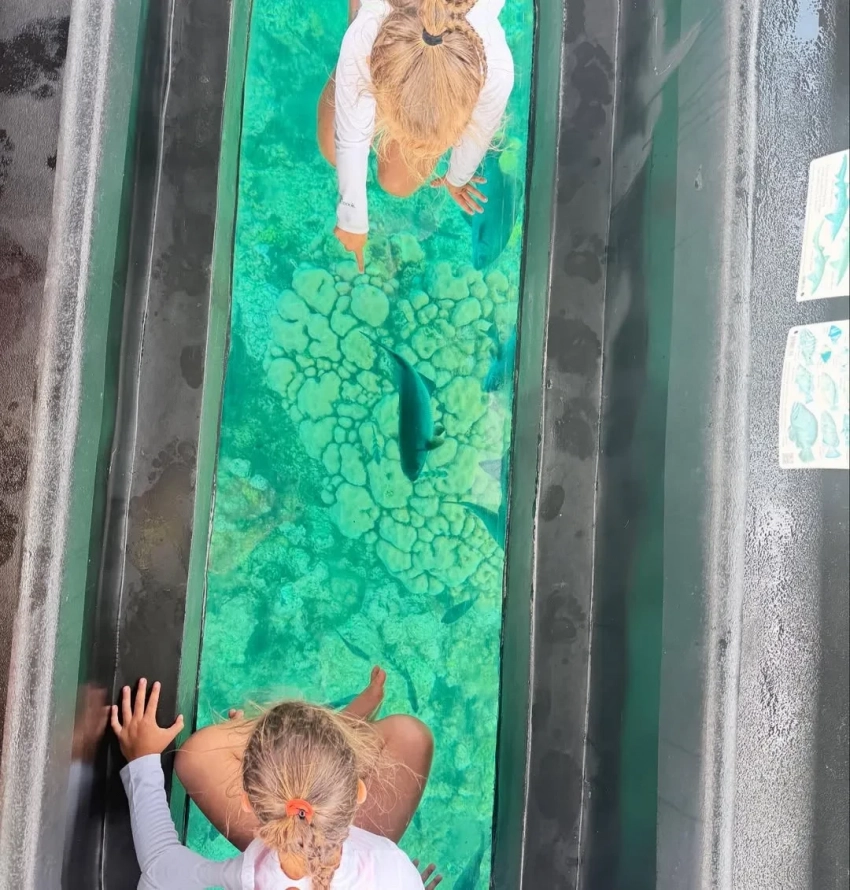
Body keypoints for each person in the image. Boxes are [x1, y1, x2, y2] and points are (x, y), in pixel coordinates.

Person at [113, 675, 442, 889]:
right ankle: (334, 733)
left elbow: (159, 866)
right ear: (358, 791)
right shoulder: (394, 870)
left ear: (247, 799)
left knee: (198, 754)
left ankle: (319, 738)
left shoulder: (253, 873)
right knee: (410, 736)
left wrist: (142, 759)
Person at [321, 0, 515, 270]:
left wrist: (458, 177)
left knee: (397, 183)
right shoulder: (365, 35)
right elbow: (350, 138)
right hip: (374, 31)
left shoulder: (496, 69)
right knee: (333, 146)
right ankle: (355, 34)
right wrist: (351, 217)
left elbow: (481, 132)